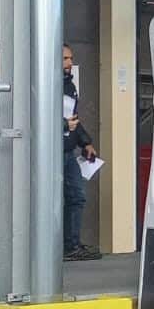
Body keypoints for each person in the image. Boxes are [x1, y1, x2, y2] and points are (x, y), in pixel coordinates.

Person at [62, 43, 100, 261]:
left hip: (67, 151)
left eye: (71, 58)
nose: (69, 63)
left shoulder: (70, 85)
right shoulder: (44, 82)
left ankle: (72, 246)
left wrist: (86, 142)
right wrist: (65, 126)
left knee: (77, 197)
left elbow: (73, 120)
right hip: (50, 153)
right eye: (65, 59)